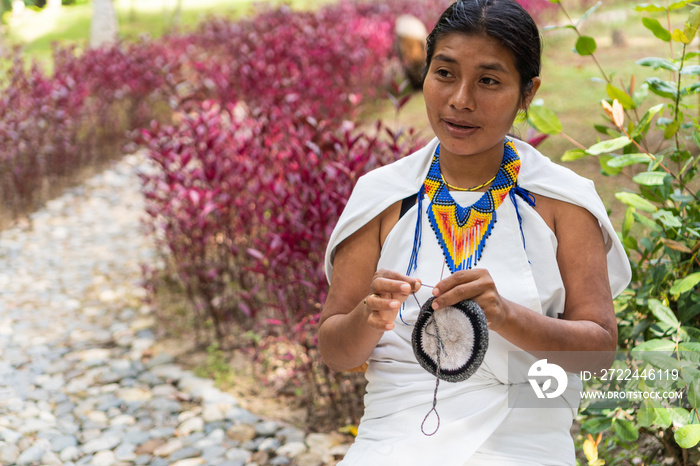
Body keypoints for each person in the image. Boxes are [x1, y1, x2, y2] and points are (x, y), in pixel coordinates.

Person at [319, 0, 631, 464]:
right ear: (424, 74)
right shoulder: (383, 196)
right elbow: (335, 351)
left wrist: (505, 315)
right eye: (444, 73)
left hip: (525, 434)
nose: (461, 99)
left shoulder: (563, 201)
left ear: (528, 93)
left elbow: (598, 354)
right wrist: (368, 317)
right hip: (399, 433)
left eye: (488, 80)